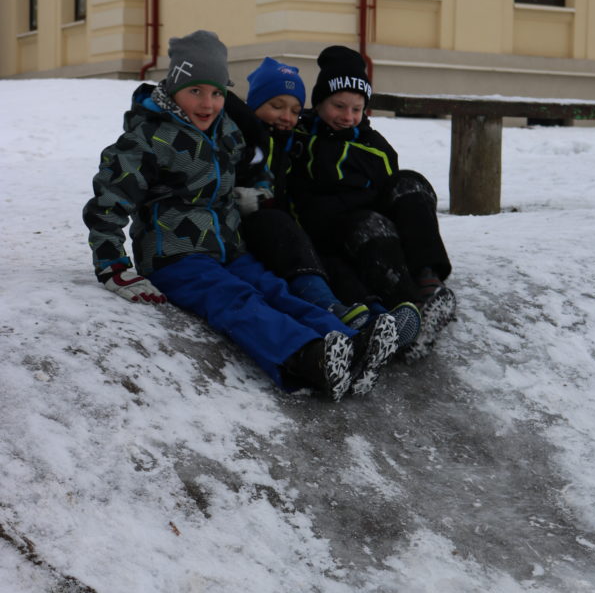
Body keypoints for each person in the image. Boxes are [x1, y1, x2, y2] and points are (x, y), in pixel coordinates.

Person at [83, 30, 398, 400]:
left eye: (217, 93)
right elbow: (109, 201)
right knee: (235, 300)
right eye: (196, 91)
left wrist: (256, 193)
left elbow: (255, 167)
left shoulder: (226, 132)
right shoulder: (150, 138)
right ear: (174, 89)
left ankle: (348, 342)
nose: (208, 104)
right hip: (176, 257)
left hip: (229, 248)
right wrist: (113, 266)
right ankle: (306, 356)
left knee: (274, 289)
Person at [237, 55, 422, 351]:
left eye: (295, 110)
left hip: (304, 233)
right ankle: (345, 313)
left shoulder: (291, 140)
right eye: (276, 106)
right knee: (313, 257)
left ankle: (379, 320)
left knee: (335, 264)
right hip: (268, 233)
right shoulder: (248, 137)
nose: (286, 116)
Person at [286, 45, 457, 357]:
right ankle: (409, 312)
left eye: (357, 109)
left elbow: (391, 188)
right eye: (339, 106)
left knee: (410, 182)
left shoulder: (374, 147)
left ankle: (428, 279)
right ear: (319, 101)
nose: (348, 117)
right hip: (333, 233)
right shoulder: (300, 138)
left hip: (375, 226)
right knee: (370, 224)